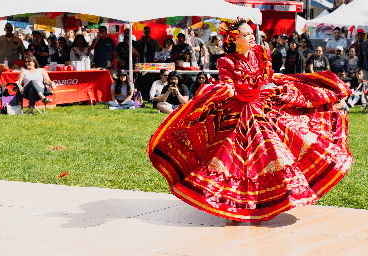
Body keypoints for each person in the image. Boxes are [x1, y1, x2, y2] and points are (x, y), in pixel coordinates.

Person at [147, 18, 352, 221]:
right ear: (235, 40)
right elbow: (231, 86)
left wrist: (275, 86)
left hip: (260, 106)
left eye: (251, 33)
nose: (251, 36)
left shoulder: (260, 53)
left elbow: (267, 77)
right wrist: (225, 90)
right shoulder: (226, 61)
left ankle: (272, 199)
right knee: (235, 160)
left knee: (276, 149)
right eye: (246, 34)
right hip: (237, 111)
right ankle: (232, 207)